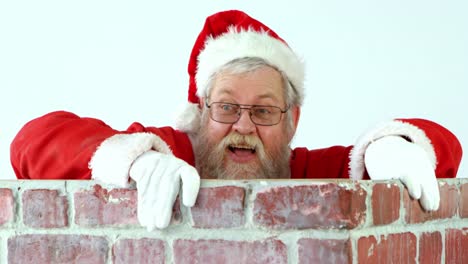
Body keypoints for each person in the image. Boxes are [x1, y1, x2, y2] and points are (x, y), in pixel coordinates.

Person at [10, 10, 462, 231]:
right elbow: (34, 141)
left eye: (264, 110)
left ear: (292, 120)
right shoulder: (171, 152)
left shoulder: (314, 173)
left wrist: (393, 144)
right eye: (226, 107)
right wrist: (134, 163)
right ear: (201, 112)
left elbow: (445, 148)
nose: (243, 126)